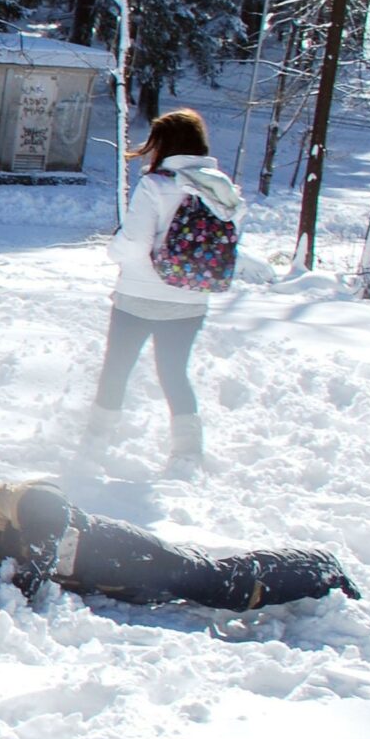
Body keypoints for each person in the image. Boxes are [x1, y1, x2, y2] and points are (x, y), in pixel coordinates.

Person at [0, 480, 359, 614]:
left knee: (227, 586)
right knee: (216, 588)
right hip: (116, 580)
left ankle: (318, 567)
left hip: (110, 545)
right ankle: (312, 574)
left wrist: (36, 560)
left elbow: (44, 502)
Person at [88, 109, 241, 469]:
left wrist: (113, 250)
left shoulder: (156, 184)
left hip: (139, 296)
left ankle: (96, 441)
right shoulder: (222, 187)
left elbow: (135, 242)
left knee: (117, 368)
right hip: (190, 300)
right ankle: (187, 449)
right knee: (174, 371)